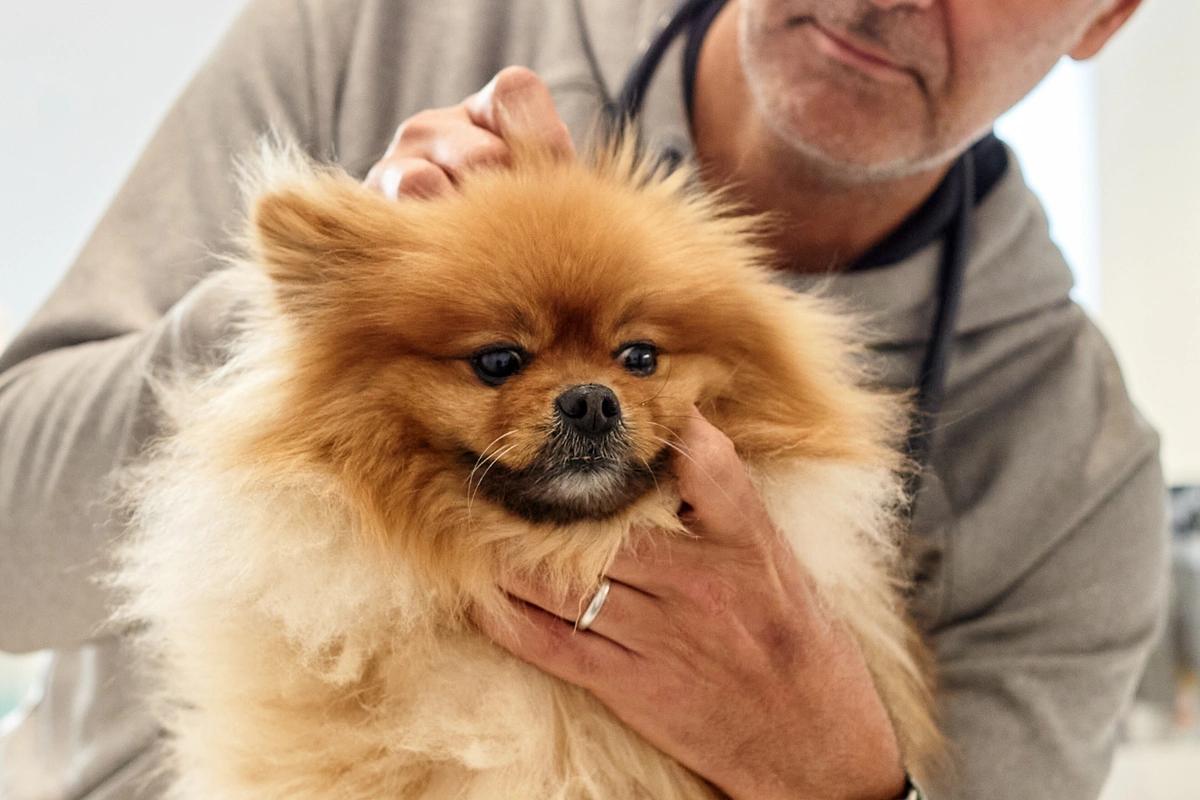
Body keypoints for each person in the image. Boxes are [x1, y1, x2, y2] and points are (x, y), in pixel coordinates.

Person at [0, 0, 1167, 798]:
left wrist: (840, 768)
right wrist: (307, 328)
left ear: (1111, 12)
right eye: (504, 360)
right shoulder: (377, 25)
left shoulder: (1079, 471)